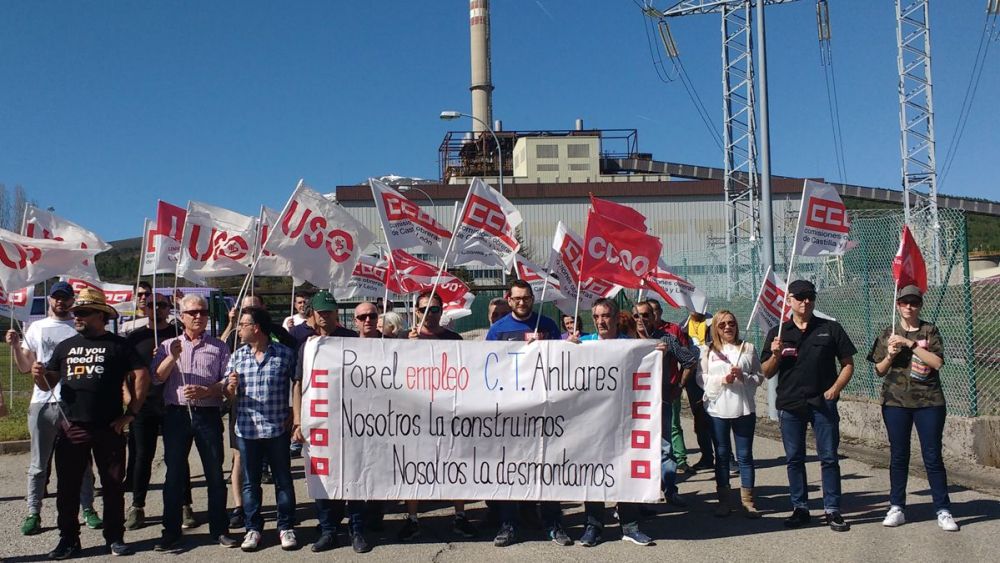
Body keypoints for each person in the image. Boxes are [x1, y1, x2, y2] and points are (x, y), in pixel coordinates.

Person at [39, 287, 150, 558]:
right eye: (76, 312)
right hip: (72, 427)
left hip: (109, 426)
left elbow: (142, 375)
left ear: (101, 316)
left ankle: (115, 537)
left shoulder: (118, 345)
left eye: (83, 312)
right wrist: (37, 374)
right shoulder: (66, 346)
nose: (76, 316)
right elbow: (47, 383)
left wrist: (131, 413)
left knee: (112, 486)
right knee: (67, 488)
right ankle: (68, 539)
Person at [6, 281, 101, 536]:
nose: (61, 302)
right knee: (39, 463)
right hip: (42, 402)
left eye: (65, 298)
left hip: (73, 404)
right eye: (56, 297)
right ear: (49, 299)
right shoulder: (36, 327)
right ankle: (33, 512)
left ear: (72, 301)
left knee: (82, 462)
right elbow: (25, 367)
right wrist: (16, 346)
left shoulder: (78, 328)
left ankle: (88, 509)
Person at [761, 279, 856, 532]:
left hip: (823, 403)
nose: (806, 302)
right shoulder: (778, 334)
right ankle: (800, 508)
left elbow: (848, 364)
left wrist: (836, 389)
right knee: (794, 459)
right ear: (789, 300)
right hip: (791, 404)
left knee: (829, 458)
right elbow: (766, 372)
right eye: (801, 297)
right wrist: (775, 354)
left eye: (810, 297)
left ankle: (832, 510)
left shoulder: (830, 329)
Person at [484, 280, 569, 548]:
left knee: (548, 466)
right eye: (517, 299)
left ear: (533, 299)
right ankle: (509, 524)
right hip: (510, 409)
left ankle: (554, 523)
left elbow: (562, 361)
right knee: (510, 468)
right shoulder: (498, 330)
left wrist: (572, 346)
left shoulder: (547, 325)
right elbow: (487, 367)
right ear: (509, 300)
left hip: (543, 408)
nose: (522, 303)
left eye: (527, 298)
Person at [867, 285, 958, 531]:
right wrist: (890, 355)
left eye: (914, 303)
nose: (909, 307)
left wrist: (911, 344)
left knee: (932, 456)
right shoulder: (888, 333)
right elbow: (878, 370)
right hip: (895, 402)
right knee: (899, 454)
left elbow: (937, 362)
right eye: (905, 302)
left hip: (929, 402)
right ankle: (897, 506)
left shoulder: (929, 331)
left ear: (920, 305)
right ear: (898, 304)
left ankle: (943, 509)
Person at [153, 295, 239, 550]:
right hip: (176, 415)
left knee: (214, 473)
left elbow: (227, 383)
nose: (198, 316)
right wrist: (172, 358)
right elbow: (157, 379)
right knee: (174, 476)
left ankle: (219, 530)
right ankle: (171, 531)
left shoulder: (219, 347)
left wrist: (207, 391)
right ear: (182, 317)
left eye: (202, 312)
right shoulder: (168, 345)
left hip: (207, 415)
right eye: (192, 313)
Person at [291, 296, 370, 553]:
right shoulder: (307, 345)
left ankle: (357, 528)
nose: (325, 316)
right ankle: (328, 530)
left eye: (330, 312)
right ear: (312, 314)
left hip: (350, 420)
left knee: (354, 475)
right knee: (321, 477)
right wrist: (297, 421)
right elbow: (298, 383)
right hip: (318, 420)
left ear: (337, 313)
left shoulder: (350, 339)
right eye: (320, 312)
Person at [397, 292, 478, 542]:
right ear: (416, 313)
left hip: (448, 412)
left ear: (442, 312)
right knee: (414, 465)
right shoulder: (405, 340)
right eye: (424, 310)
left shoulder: (454, 339)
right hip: (416, 416)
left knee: (455, 462)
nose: (429, 315)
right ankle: (412, 518)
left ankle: (460, 515)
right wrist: (406, 347)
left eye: (434, 310)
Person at [574, 298, 654, 547]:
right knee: (593, 475)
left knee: (623, 472)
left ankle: (629, 526)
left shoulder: (630, 346)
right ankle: (593, 526)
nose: (600, 321)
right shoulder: (583, 344)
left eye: (606, 316)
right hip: (592, 424)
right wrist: (563, 348)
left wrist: (654, 353)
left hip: (623, 423)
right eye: (596, 316)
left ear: (616, 316)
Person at [226, 306, 298, 552]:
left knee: (283, 480)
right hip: (246, 431)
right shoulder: (237, 357)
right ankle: (253, 528)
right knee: (250, 483)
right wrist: (230, 388)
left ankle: (286, 526)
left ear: (256, 328)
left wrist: (294, 412)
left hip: (277, 428)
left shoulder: (285, 355)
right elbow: (229, 396)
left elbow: (298, 385)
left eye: (243, 324)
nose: (240, 329)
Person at [123, 292, 185, 531]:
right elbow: (125, 371)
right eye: (151, 305)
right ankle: (137, 506)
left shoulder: (177, 335)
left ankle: (185, 503)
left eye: (161, 305)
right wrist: (128, 397)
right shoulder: (135, 337)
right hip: (144, 403)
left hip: (172, 402)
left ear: (169, 308)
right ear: (144, 308)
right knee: (142, 457)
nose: (156, 309)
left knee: (177, 457)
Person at [696, 310, 763, 518]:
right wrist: (720, 380)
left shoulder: (748, 348)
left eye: (731, 323)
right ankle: (724, 501)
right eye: (722, 324)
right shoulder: (707, 351)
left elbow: (759, 376)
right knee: (722, 455)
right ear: (715, 327)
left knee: (745, 456)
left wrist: (743, 376)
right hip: (717, 409)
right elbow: (701, 378)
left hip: (743, 409)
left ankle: (748, 501)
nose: (728, 327)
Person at [633, 301, 697, 510]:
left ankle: (670, 490)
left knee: (665, 448)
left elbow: (690, 361)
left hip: (661, 402)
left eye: (645, 315)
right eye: (636, 316)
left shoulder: (666, 339)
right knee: (635, 451)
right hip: (632, 405)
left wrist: (678, 385)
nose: (641, 320)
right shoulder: (625, 340)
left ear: (653, 317)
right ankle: (639, 495)